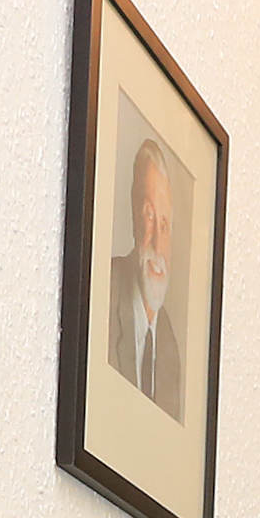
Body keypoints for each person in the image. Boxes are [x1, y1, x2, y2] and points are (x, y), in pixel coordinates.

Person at [102, 135, 182, 419]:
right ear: (134, 213)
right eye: (149, 215)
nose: (158, 245)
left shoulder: (169, 344)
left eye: (165, 224)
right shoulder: (104, 293)